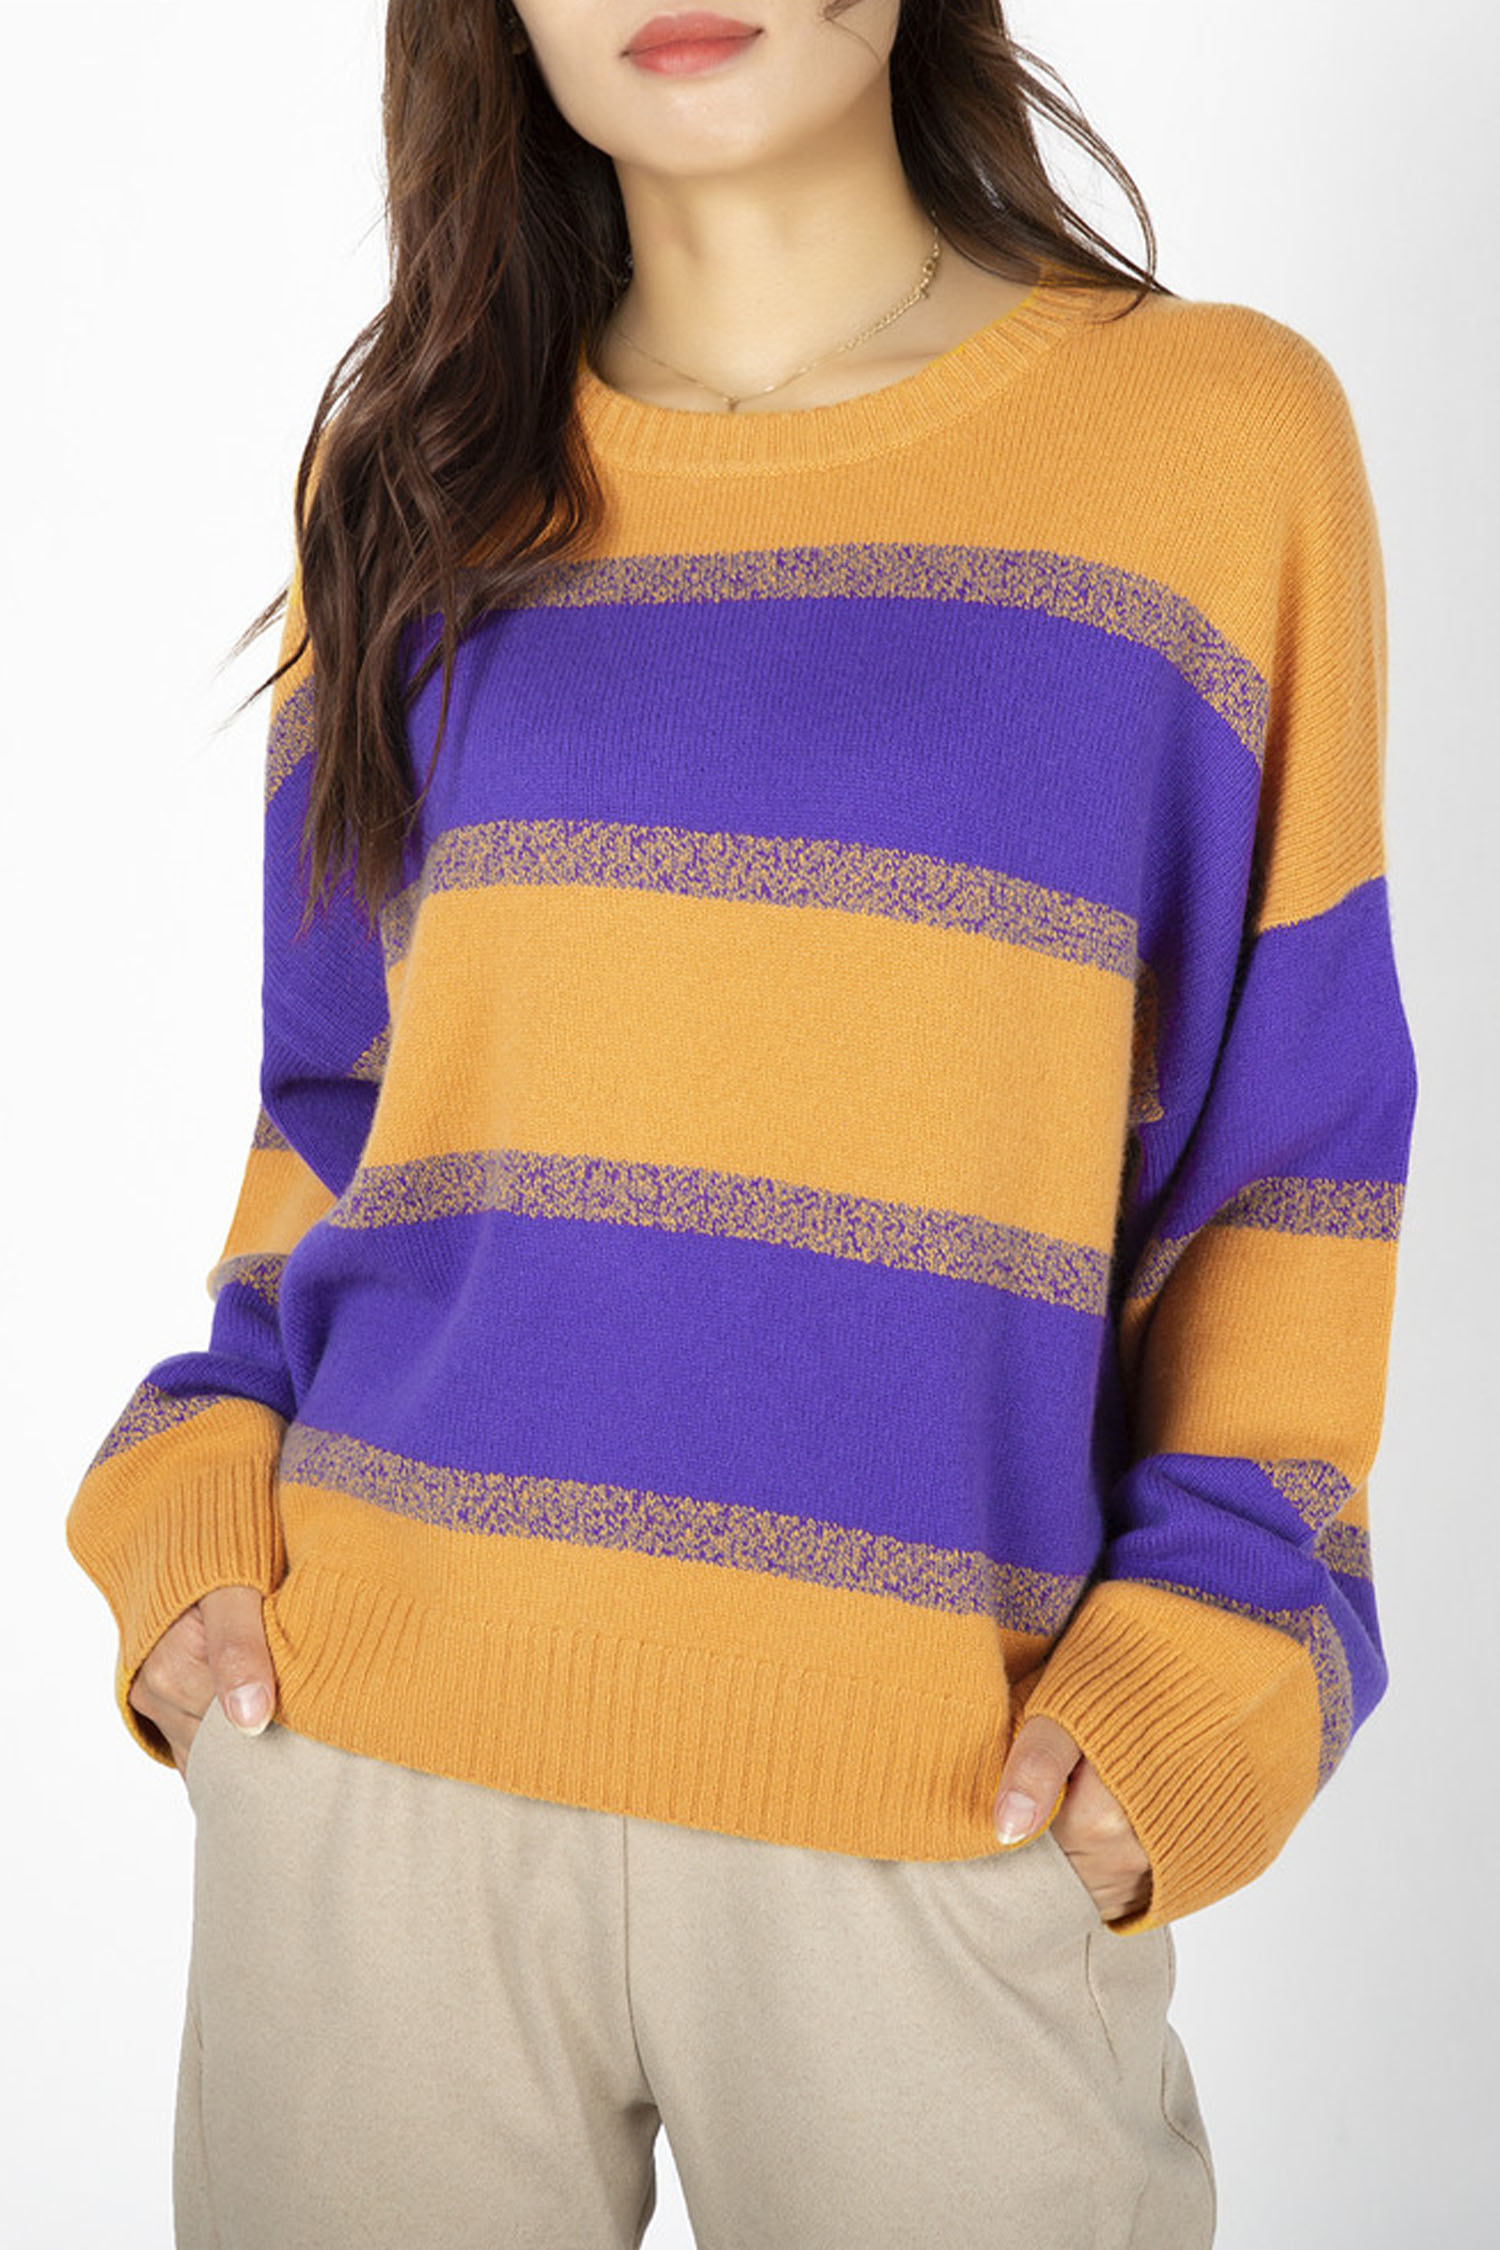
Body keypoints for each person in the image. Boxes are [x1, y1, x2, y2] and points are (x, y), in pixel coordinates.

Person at [64, 3, 1418, 2245]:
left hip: (941, 1793)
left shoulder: (1210, 437)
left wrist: (1217, 1650)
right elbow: (338, 1107)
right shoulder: (412, 480)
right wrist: (201, 1494)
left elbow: (1295, 1145)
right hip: (373, 1775)